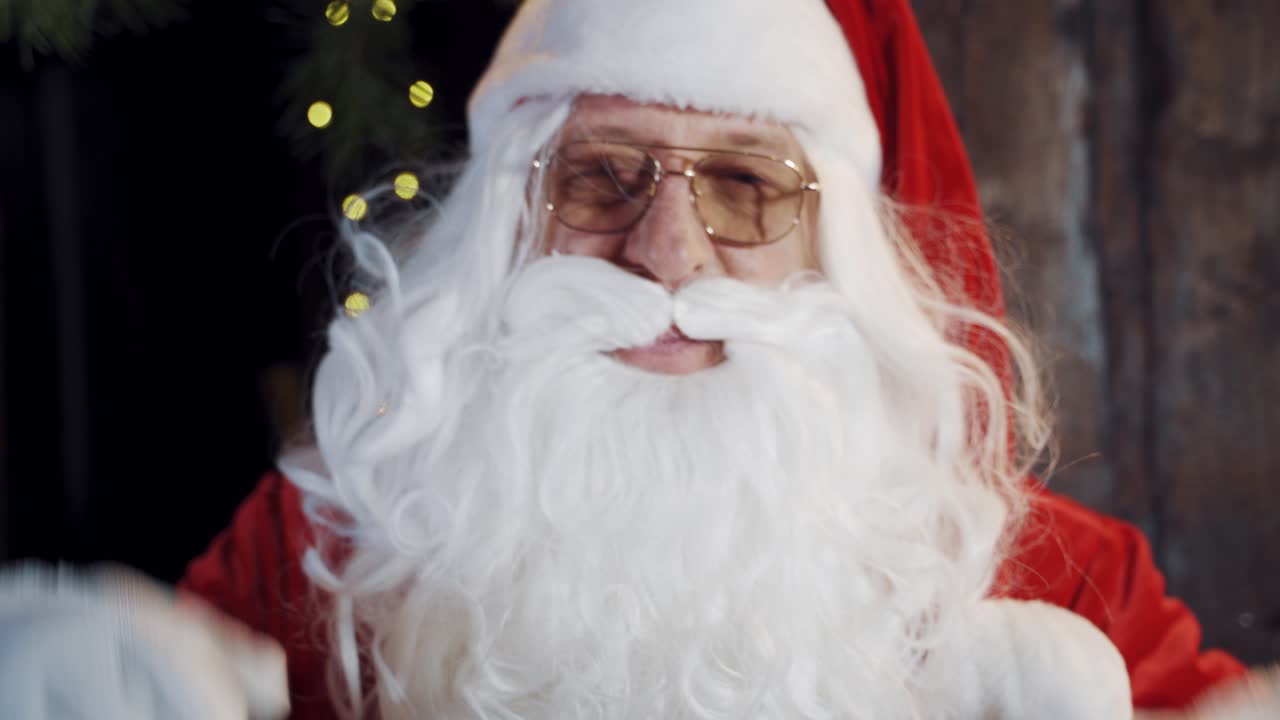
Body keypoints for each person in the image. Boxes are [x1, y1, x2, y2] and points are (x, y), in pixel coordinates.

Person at [2, 0, 1274, 718]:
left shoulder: (1053, 575)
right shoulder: (331, 538)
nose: (666, 252)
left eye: (743, 186)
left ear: (837, 248)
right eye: (602, 178)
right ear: (508, 218)